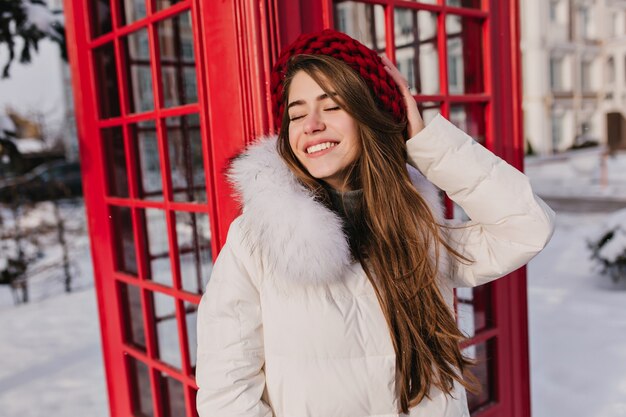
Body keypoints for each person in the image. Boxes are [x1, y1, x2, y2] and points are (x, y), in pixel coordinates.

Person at [195, 29, 555, 417]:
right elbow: (226, 391)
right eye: (296, 113)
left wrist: (422, 138)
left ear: (367, 113)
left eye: (331, 106)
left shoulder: (416, 224)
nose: (310, 124)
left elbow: (526, 226)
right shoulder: (256, 239)